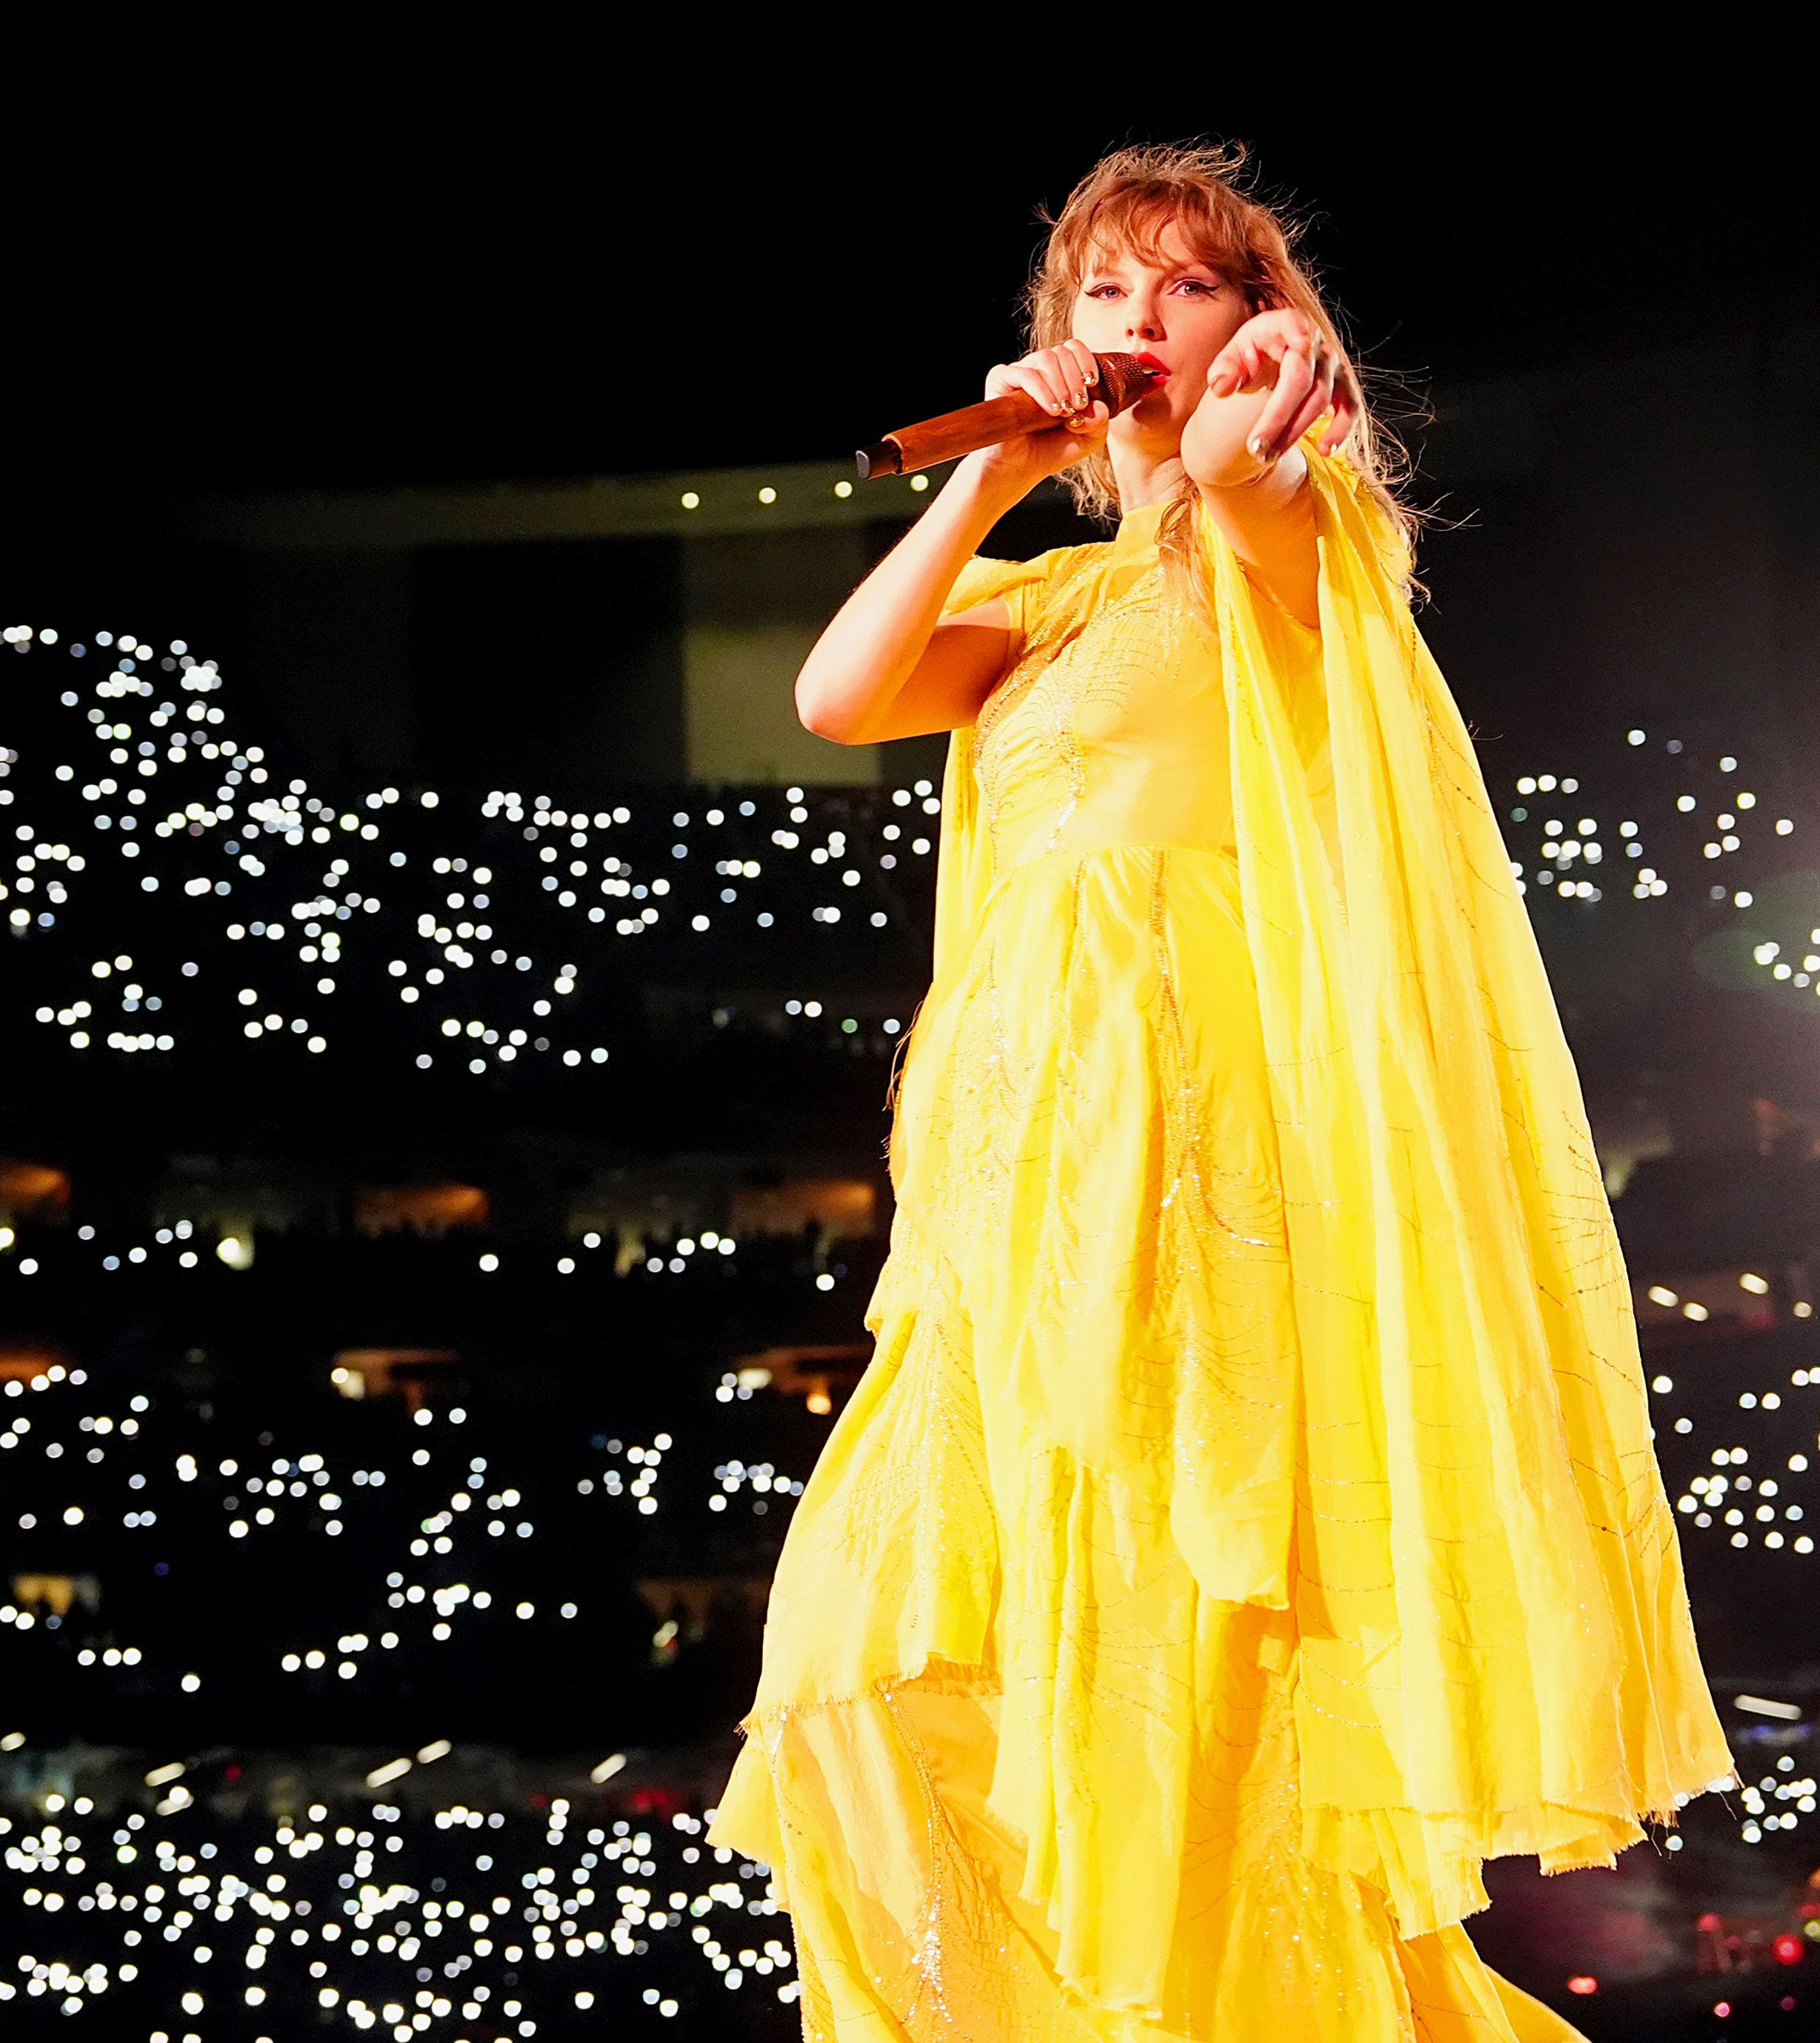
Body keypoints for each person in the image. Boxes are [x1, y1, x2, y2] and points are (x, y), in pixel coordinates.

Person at [704, 141, 1733, 2040]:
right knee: (851, 1652)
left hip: (1189, 1159)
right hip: (1003, 1184)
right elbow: (837, 698)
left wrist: (1250, 447)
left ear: (1250, 321)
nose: (1134, 325)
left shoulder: (1301, 545)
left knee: (1184, 1669)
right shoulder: (1049, 594)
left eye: (1180, 288)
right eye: (1101, 294)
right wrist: (995, 471)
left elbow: (1263, 510)